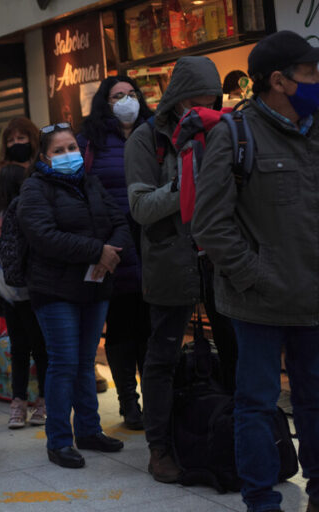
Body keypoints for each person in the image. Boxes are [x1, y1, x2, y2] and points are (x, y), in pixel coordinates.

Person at [192, 31, 319, 512]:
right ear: (279, 81)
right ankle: (261, 501)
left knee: (316, 400)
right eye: (310, 73)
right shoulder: (234, 135)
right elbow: (210, 225)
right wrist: (255, 276)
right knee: (258, 404)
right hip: (259, 302)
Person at [124, 55, 233, 483]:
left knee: (236, 349)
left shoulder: (224, 130)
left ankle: (238, 434)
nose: (201, 111)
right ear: (177, 100)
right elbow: (140, 207)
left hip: (222, 261)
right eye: (195, 103)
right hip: (170, 261)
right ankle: (159, 448)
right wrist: (188, 183)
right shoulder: (145, 140)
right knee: (162, 358)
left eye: (210, 102)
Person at [18, 122, 131, 469]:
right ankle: (59, 440)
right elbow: (43, 236)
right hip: (54, 290)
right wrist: (97, 250)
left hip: (94, 286)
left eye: (72, 148)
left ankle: (88, 430)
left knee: (85, 363)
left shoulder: (90, 182)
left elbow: (121, 221)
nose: (69, 155)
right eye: (59, 150)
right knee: (64, 363)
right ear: (43, 157)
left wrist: (112, 250)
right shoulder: (35, 189)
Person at [78, 76, 154, 430]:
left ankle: (155, 398)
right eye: (117, 96)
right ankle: (129, 401)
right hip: (115, 243)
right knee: (122, 326)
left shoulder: (155, 131)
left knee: (152, 326)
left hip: (154, 240)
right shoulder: (91, 140)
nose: (126, 100)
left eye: (131, 94)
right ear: (105, 103)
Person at [0, 164, 48, 429]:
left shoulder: (25, 211)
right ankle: (20, 402)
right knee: (24, 346)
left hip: (26, 290)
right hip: (12, 292)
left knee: (35, 347)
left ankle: (38, 402)